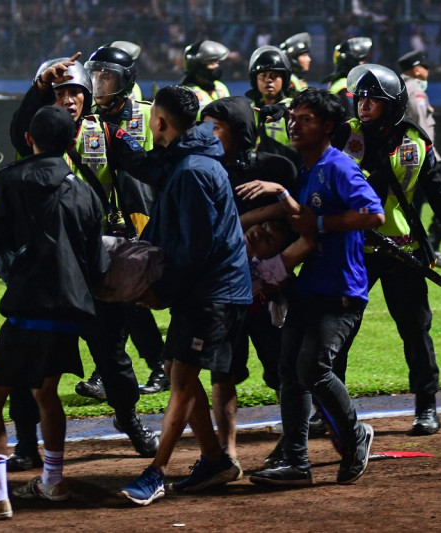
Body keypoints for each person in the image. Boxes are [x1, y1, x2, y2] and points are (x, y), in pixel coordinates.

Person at [0, 105, 109, 519]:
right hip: (71, 311)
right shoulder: (87, 190)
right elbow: (97, 262)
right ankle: (53, 483)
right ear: (73, 141)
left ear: (28, 140)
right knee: (46, 393)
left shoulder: (11, 183)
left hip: (27, 309)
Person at [6, 54, 158, 468]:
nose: (69, 99)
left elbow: (144, 167)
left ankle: (129, 418)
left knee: (112, 357)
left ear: (88, 96)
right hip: (47, 269)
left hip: (95, 265)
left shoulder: (106, 132)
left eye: (76, 92)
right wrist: (38, 87)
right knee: (31, 362)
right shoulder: (31, 134)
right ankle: (24, 443)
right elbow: (19, 124)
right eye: (60, 92)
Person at [332, 64, 441, 436]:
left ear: (393, 104)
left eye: (374, 100)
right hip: (355, 251)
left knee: (416, 331)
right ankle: (329, 410)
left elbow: (440, 191)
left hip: (403, 252)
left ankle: (426, 407)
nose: (364, 105)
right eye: (362, 98)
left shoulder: (415, 141)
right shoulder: (344, 134)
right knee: (336, 332)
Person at [118, 85, 251, 506]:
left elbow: (197, 247)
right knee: (180, 371)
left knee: (181, 379)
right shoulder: (187, 159)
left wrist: (161, 292)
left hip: (213, 291)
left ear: (158, 121)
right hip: (208, 289)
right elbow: (151, 168)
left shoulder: (192, 169)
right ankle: (214, 459)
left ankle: (156, 471)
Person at [245, 87, 384, 487]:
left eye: (305, 118)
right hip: (309, 288)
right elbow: (298, 213)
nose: (294, 123)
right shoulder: (304, 169)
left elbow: (373, 215)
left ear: (327, 126)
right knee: (290, 371)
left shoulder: (338, 166)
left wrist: (321, 225)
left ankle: (355, 435)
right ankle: (296, 463)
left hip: (342, 290)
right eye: (292, 116)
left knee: (312, 369)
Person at [199, 95, 297, 461]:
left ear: (240, 131)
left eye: (216, 127)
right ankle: (227, 452)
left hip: (269, 290)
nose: (206, 133)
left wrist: (251, 220)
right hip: (223, 289)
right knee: (222, 372)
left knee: (284, 371)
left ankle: (295, 442)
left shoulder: (277, 167)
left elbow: (298, 213)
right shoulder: (201, 168)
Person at [82, 45, 169, 397]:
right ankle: (112, 370)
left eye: (108, 75)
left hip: (139, 224)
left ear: (126, 80)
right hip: (98, 223)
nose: (100, 81)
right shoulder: (84, 119)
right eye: (97, 74)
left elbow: (160, 169)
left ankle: (155, 365)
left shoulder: (148, 116)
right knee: (101, 301)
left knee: (130, 300)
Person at [399, 49, 441, 269]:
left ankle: (416, 249)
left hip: (408, 158)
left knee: (414, 206)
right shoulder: (415, 91)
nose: (428, 71)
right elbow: (421, 127)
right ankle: (431, 246)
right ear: (417, 69)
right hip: (424, 157)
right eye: (426, 66)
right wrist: (431, 158)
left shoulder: (401, 87)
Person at [245, 45, 299, 166]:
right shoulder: (248, 110)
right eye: (263, 76)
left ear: (284, 79)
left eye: (274, 76)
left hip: (293, 174)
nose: (268, 80)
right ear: (255, 81)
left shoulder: (295, 108)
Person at [324, 37, 372, 118]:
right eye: (361, 60)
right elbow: (352, 118)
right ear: (351, 62)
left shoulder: (339, 81)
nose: (364, 64)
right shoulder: (346, 87)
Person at [179, 40, 231, 110]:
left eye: (217, 62)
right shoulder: (185, 93)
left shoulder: (221, 87)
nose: (217, 66)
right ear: (197, 67)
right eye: (212, 63)